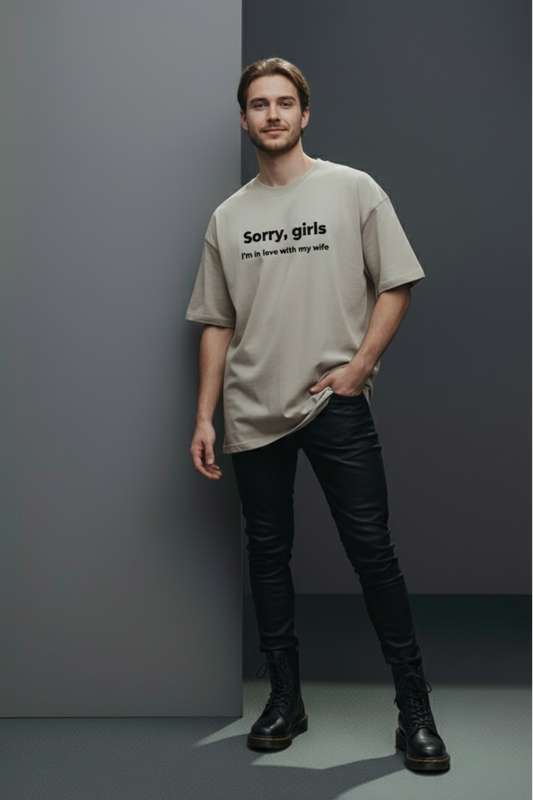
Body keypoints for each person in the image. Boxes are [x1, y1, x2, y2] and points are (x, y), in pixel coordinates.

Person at [186, 57, 450, 772]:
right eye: (257, 104)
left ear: (304, 114)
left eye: (283, 103)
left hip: (331, 405)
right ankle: (285, 700)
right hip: (249, 410)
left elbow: (395, 281)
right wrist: (206, 415)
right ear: (243, 120)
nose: (271, 115)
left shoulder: (351, 190)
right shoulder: (229, 216)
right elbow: (214, 321)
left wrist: (359, 367)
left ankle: (414, 711)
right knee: (267, 558)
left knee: (372, 553)